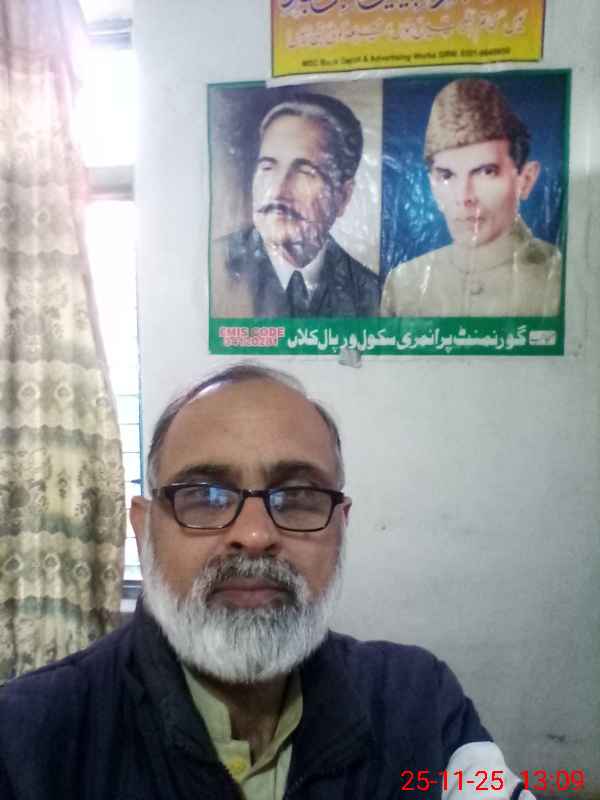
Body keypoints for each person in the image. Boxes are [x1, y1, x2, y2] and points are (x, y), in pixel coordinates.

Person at [0, 364, 535, 799]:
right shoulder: (26, 741)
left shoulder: (420, 704)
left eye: (297, 497)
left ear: (340, 526)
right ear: (144, 530)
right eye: (205, 496)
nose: (254, 535)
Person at [381, 78, 562, 317]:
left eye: (486, 172)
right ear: (432, 186)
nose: (464, 197)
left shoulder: (561, 277)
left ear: (525, 180)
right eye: (447, 175)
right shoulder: (404, 285)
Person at [211, 93, 381, 318]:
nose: (278, 190)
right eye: (267, 168)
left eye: (305, 172)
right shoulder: (214, 266)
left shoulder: (371, 294)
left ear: (343, 196)